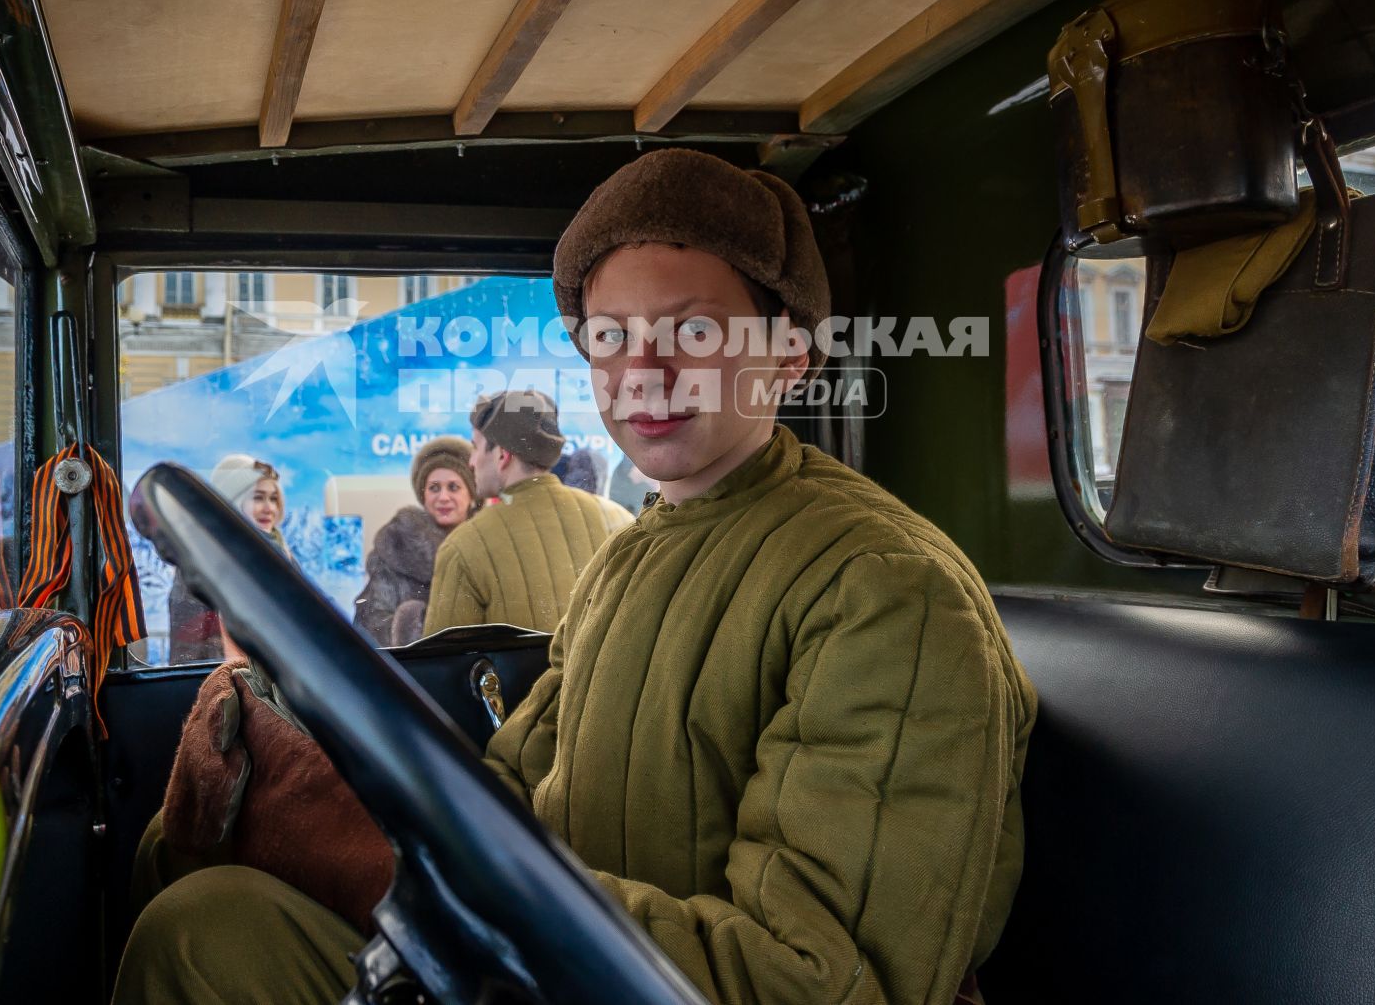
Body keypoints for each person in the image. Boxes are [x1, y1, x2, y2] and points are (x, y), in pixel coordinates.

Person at [114, 148, 1036, 1005]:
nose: (643, 371)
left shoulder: (884, 591)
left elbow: (818, 982)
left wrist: (376, 862)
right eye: (609, 336)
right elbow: (517, 797)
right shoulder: (626, 556)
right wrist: (355, 798)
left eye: (695, 330)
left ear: (789, 354)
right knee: (207, 911)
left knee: (198, 942)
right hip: (547, 971)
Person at [421, 390, 632, 636]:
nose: (471, 461)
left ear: (502, 455)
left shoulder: (462, 546)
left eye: (475, 447)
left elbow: (443, 665)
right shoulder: (620, 521)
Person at [351, 436, 476, 646]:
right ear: (423, 494)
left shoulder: (488, 544)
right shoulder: (396, 546)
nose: (443, 497)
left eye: (453, 487)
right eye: (434, 488)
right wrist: (412, 631)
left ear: (472, 494)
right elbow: (368, 620)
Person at [170, 455, 292, 660]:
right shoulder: (201, 563)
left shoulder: (282, 557)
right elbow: (190, 652)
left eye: (273, 498)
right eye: (258, 497)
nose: (269, 508)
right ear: (233, 501)